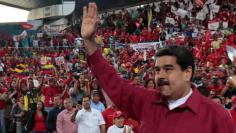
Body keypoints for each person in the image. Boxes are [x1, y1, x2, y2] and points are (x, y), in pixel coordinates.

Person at [81, 3, 236, 133]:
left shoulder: (216, 116)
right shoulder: (147, 101)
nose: (160, 76)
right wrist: (89, 42)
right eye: (157, 70)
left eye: (168, 69)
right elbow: (114, 84)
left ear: (187, 73)